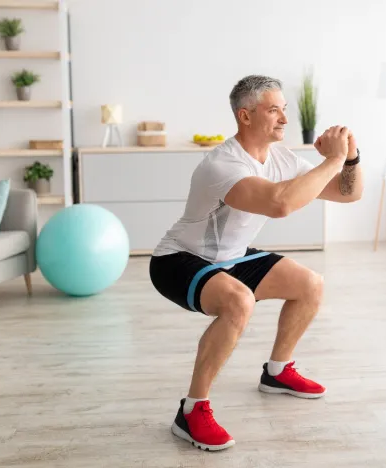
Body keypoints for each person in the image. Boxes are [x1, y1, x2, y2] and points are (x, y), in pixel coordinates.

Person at [149, 74, 363, 451]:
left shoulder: (280, 157)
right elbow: (280, 204)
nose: (283, 118)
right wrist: (331, 158)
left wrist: (351, 158)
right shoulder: (223, 165)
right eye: (273, 110)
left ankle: (278, 373)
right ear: (245, 116)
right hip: (179, 259)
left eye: (284, 109)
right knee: (238, 302)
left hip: (230, 257)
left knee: (310, 284)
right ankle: (192, 410)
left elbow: (348, 194)